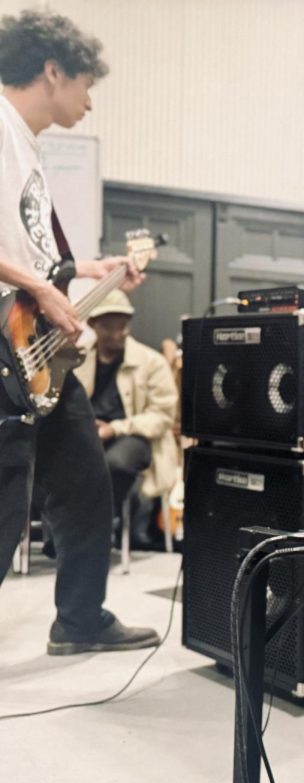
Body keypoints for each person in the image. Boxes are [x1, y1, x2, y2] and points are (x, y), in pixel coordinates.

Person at [0, 9, 158, 654]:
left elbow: (30, 252)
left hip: (37, 350)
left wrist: (80, 271)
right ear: (52, 69)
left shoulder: (26, 145)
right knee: (6, 501)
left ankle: (80, 620)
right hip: (5, 346)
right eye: (86, 83)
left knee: (87, 484)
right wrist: (38, 288)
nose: (90, 99)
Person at [76, 289, 179, 547]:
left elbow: (163, 416)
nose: (118, 333)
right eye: (109, 327)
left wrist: (114, 428)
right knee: (60, 460)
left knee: (116, 463)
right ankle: (66, 531)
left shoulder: (151, 362)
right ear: (93, 325)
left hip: (135, 435)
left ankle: (93, 529)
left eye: (122, 326)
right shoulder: (78, 359)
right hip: (88, 433)